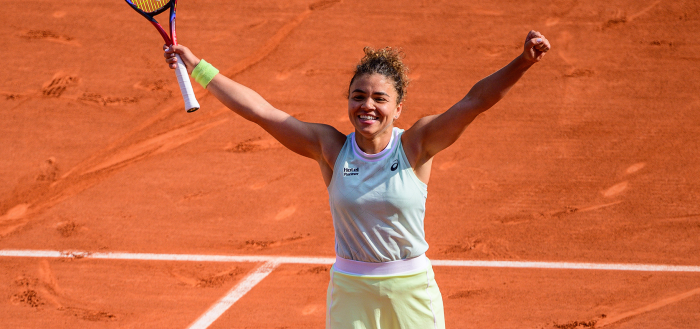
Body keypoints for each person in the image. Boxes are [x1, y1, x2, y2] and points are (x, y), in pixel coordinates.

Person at [163, 30, 551, 329]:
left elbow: (474, 102)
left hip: (412, 290)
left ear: (398, 108)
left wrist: (522, 61)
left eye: (380, 98)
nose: (367, 105)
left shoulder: (417, 145)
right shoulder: (329, 147)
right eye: (358, 96)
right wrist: (198, 66)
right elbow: (261, 112)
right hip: (350, 291)